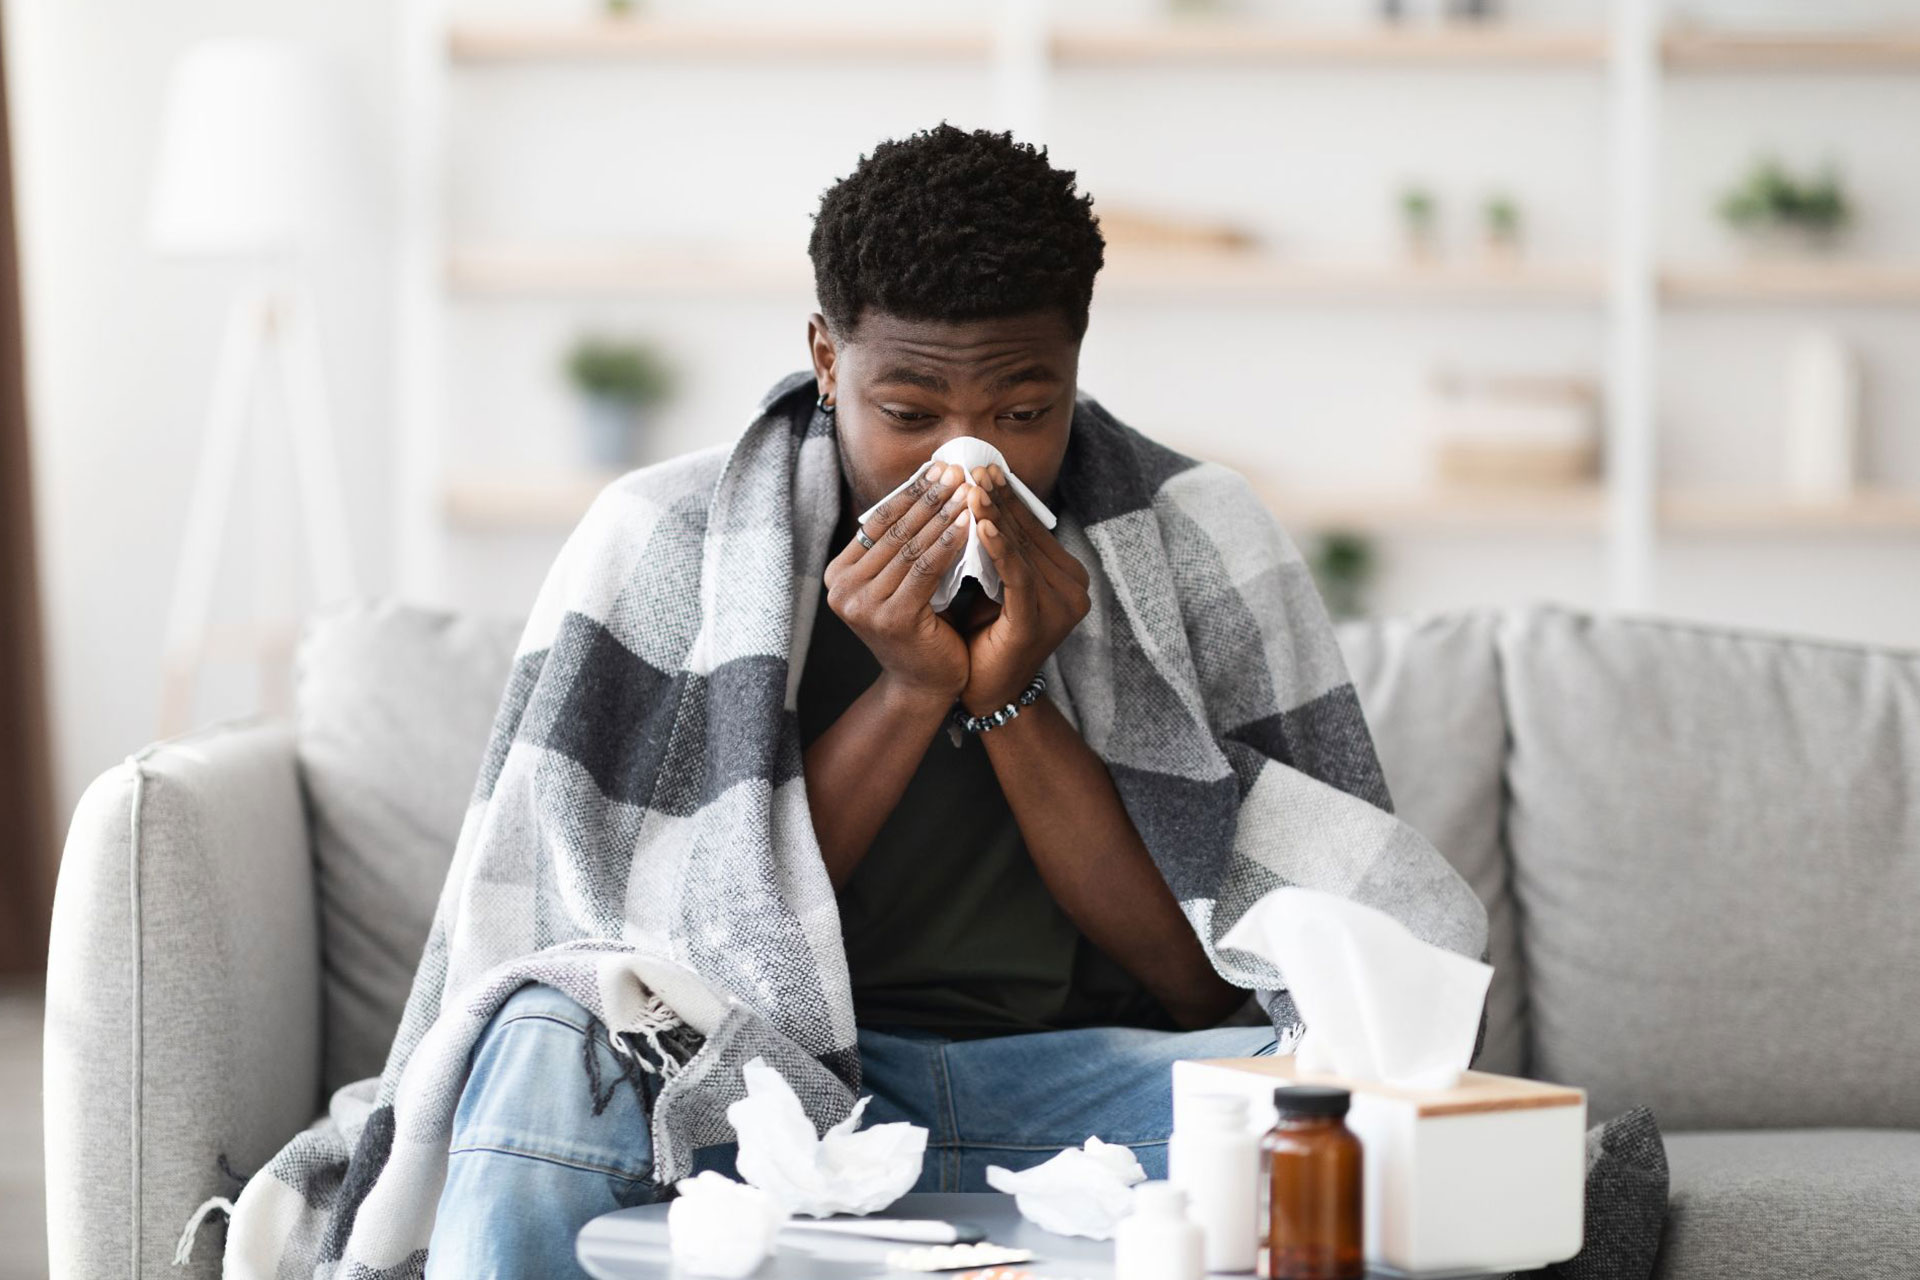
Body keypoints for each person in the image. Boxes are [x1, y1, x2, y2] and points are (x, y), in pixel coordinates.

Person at [422, 124, 1311, 1278]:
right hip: (759, 1086)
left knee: (1339, 1121)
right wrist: (906, 691)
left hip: (1069, 1088)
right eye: (910, 412)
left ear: (1077, 368)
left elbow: (1209, 982)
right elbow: (653, 964)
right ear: (827, 359)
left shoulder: (1193, 538)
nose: (968, 462)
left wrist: (1013, 698)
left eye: (1023, 412)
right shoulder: (669, 540)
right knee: (544, 1039)